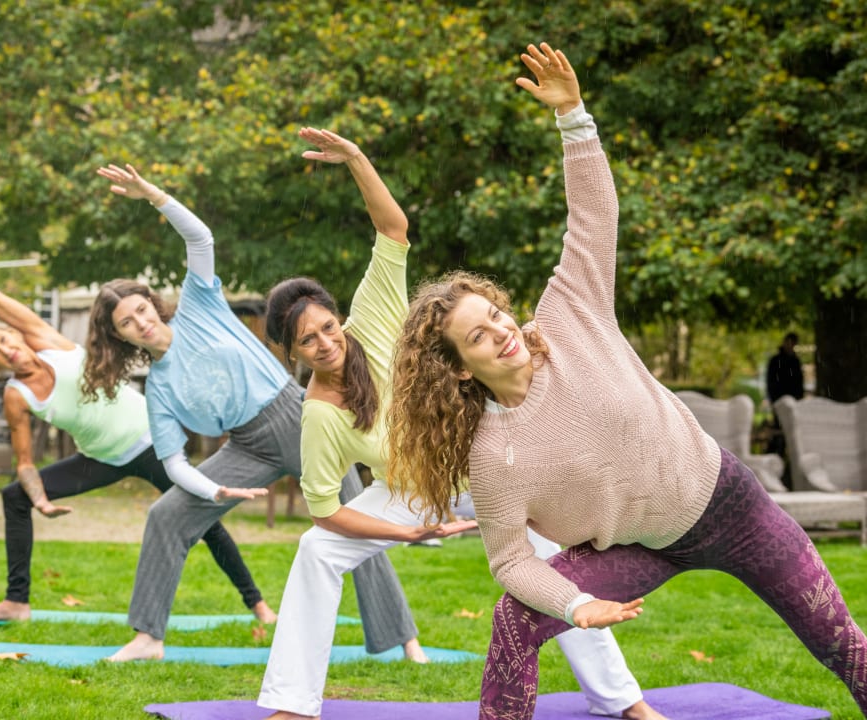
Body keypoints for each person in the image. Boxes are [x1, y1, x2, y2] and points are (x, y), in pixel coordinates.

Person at [386, 42, 867, 720]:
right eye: (477, 335)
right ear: (460, 368)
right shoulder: (495, 455)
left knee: (844, 646)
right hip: (643, 547)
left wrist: (574, 118)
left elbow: (592, 218)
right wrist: (575, 603)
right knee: (514, 621)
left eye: (495, 312)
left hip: (733, 507)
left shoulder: (568, 314)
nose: (501, 329)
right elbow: (512, 563)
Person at [256, 128, 664, 720]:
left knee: (547, 560)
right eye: (306, 340)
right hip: (411, 492)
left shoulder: (370, 325)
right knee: (317, 550)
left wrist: (356, 160)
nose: (324, 343)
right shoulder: (318, 413)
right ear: (292, 353)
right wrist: (409, 534)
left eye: (326, 327)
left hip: (484, 464)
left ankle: (625, 702)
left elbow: (392, 230)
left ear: (339, 319)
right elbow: (326, 510)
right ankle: (292, 705)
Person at [82, 163, 427, 664]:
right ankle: (148, 638)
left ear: (153, 305)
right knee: (167, 515)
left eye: (141, 309)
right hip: (244, 445)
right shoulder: (158, 388)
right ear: (119, 336)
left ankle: (403, 639)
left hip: (295, 418)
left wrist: (152, 194)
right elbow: (174, 462)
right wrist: (213, 489)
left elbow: (199, 238)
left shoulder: (199, 305)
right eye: (126, 322)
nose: (140, 322)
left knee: (353, 521)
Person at [0, 283, 275, 624]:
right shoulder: (17, 396)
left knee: (203, 518)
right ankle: (16, 601)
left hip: (152, 441)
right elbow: (26, 464)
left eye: (4, 339)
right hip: (101, 457)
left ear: (14, 333)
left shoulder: (49, 342)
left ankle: (256, 603)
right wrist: (40, 500)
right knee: (13, 495)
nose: (6, 350)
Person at [766, 332, 804, 407]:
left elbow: (799, 380)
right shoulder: (775, 360)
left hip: (794, 399)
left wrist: (799, 397)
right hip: (778, 399)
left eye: (792, 343)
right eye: (789, 342)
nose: (790, 345)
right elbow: (771, 380)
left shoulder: (795, 361)